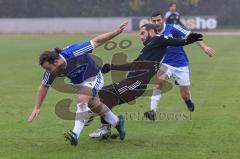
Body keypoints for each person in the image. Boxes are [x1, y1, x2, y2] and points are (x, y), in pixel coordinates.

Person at [87, 23, 203, 138]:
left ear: (151, 31)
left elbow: (172, 41)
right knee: (105, 97)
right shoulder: (147, 48)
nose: (141, 36)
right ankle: (108, 127)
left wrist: (186, 41)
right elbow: (134, 65)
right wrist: (112, 67)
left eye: (143, 33)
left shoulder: (158, 38)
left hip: (136, 84)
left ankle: (105, 122)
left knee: (102, 95)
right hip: (131, 83)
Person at [27, 21, 129, 146]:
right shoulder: (52, 71)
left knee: (82, 99)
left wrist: (116, 32)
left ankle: (75, 134)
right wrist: (37, 107)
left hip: (94, 76)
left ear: (56, 61)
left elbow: (96, 41)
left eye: (48, 68)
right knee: (95, 105)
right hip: (80, 84)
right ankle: (117, 122)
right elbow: (44, 86)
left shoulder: (74, 52)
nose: (48, 72)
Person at [144, 11, 215, 120]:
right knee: (159, 81)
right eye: (154, 21)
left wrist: (205, 48)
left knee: (184, 94)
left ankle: (188, 100)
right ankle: (152, 111)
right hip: (165, 63)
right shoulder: (151, 33)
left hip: (181, 64)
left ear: (163, 20)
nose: (156, 22)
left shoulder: (173, 28)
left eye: (159, 20)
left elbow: (191, 36)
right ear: (151, 21)